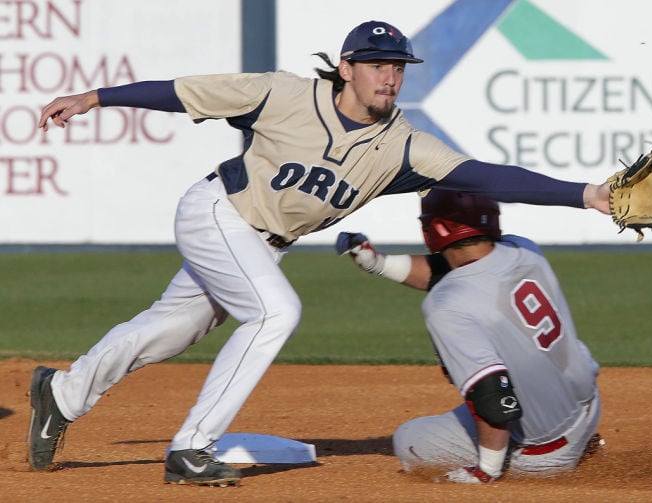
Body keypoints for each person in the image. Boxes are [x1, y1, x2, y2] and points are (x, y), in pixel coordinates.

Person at [29, 20, 611, 486]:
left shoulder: (402, 144)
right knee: (275, 313)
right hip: (217, 212)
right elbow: (184, 93)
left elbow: (487, 177)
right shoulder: (285, 95)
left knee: (172, 329)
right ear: (346, 69)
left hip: (262, 243)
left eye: (398, 68)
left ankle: (62, 393)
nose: (390, 77)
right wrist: (96, 97)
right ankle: (192, 448)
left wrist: (585, 195)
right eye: (378, 65)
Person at [335, 189, 603, 484]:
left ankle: (504, 461)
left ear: (435, 228)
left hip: (546, 451)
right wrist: (378, 263)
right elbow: (455, 271)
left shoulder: (445, 305)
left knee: (410, 439)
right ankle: (583, 441)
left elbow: (493, 397)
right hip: (587, 408)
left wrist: (486, 469)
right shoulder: (524, 249)